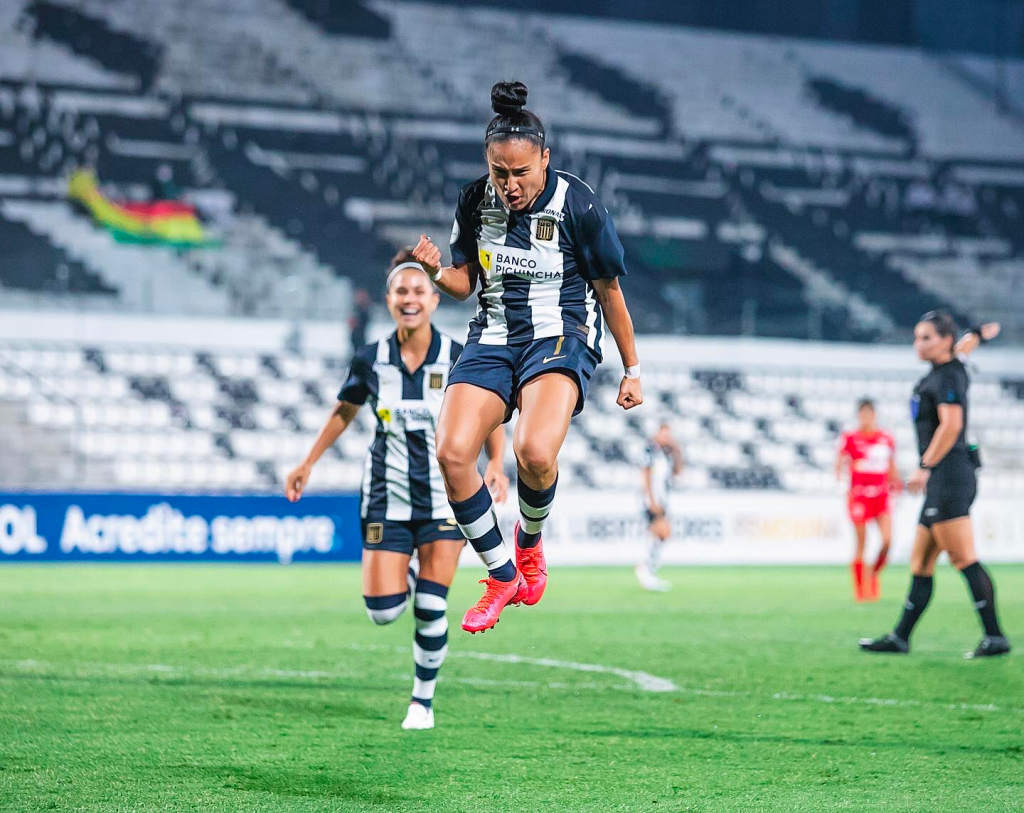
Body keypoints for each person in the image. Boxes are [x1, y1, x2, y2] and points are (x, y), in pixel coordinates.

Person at [410, 80, 643, 633]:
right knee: (451, 452)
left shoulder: (578, 204)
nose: (510, 185)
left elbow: (609, 291)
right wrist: (434, 271)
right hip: (492, 336)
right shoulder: (473, 200)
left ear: (545, 157)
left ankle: (530, 545)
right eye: (499, 172)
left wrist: (632, 369)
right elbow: (465, 282)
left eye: (521, 172)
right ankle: (501, 574)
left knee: (535, 452)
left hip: (559, 334)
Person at [285, 251, 509, 729]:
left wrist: (496, 463)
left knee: (432, 605)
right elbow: (343, 411)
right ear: (389, 300)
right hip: (386, 497)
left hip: (447, 499)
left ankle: (421, 702)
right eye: (401, 292)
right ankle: (404, 578)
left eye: (419, 291)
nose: (410, 299)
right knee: (383, 613)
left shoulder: (458, 356)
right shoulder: (371, 359)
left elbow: (487, 408)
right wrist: (308, 462)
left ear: (433, 298)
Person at [860, 313, 1010, 659]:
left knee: (964, 558)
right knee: (921, 562)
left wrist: (924, 466)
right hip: (943, 478)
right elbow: (965, 347)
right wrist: (978, 335)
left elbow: (951, 425)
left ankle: (995, 636)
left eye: (926, 337)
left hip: (949, 475)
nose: (918, 344)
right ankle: (900, 637)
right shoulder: (950, 365)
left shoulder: (949, 376)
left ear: (944, 340)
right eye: (916, 337)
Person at [835, 399, 900, 602]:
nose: (865, 418)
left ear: (873, 414)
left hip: (881, 496)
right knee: (862, 542)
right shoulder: (851, 438)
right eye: (862, 414)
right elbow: (840, 463)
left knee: (888, 541)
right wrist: (842, 485)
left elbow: (890, 466)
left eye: (868, 413)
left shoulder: (885, 439)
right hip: (859, 496)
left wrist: (897, 485)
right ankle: (861, 591)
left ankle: (873, 573)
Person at [636, 422, 684, 592]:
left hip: (662, 499)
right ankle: (645, 570)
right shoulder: (650, 450)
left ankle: (648, 570)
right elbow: (646, 474)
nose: (666, 438)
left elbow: (678, 472)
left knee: (660, 535)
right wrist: (651, 500)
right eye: (664, 434)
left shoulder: (668, 453)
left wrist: (677, 451)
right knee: (661, 532)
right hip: (653, 499)